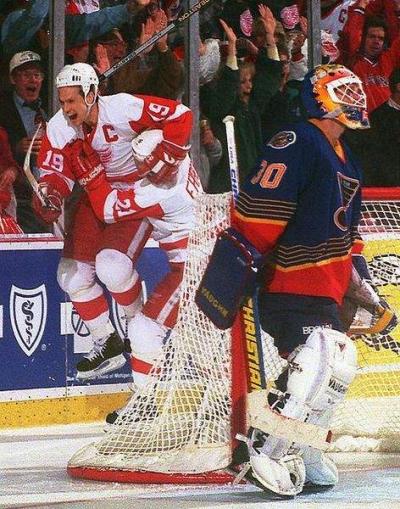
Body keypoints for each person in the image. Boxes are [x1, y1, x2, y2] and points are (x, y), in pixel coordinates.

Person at [198, 64, 397, 496]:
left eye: (356, 90)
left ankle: (305, 448)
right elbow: (257, 211)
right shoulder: (296, 141)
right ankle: (266, 447)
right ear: (319, 99)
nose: (356, 98)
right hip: (288, 285)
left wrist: (364, 286)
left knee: (336, 368)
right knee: (322, 356)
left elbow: (349, 234)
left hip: (326, 288)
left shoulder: (348, 158)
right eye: (344, 91)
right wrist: (240, 262)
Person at [32, 63, 200, 388]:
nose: (66, 109)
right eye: (62, 101)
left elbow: (180, 115)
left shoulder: (123, 108)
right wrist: (50, 193)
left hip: (132, 193)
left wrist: (170, 155)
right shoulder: (59, 127)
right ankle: (106, 341)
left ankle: (137, 331)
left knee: (112, 266)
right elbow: (56, 174)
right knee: (70, 275)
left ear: (92, 94)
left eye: (72, 101)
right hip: (101, 193)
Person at [0, 50, 49, 233]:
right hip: (18, 196)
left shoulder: (48, 108)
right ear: (13, 79)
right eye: (26, 75)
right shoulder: (3, 109)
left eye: (37, 75)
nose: (33, 80)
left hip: (45, 192)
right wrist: (16, 149)